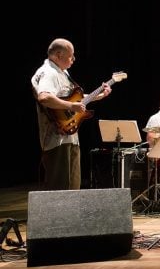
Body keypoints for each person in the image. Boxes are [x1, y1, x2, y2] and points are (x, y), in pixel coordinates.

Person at [31, 37, 112, 190]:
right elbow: (44, 97)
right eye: (71, 56)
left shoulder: (62, 72)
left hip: (69, 136)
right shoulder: (48, 72)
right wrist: (71, 106)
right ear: (58, 55)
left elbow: (76, 100)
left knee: (73, 186)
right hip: (57, 139)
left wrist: (100, 95)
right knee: (60, 188)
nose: (74, 59)